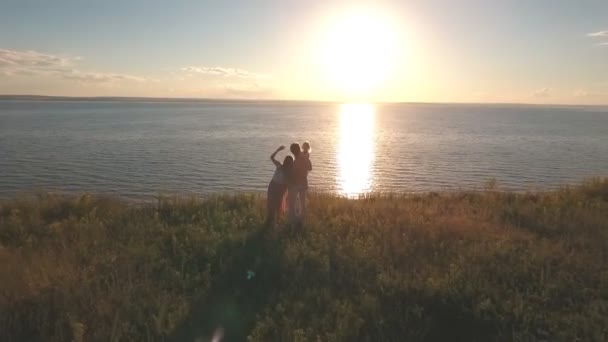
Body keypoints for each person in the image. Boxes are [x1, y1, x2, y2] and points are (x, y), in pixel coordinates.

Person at [266, 145, 292, 225]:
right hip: (278, 186)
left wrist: (278, 150)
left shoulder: (280, 166)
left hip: (274, 185)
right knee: (277, 203)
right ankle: (276, 219)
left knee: (272, 202)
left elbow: (271, 157)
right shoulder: (285, 168)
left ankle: (272, 219)